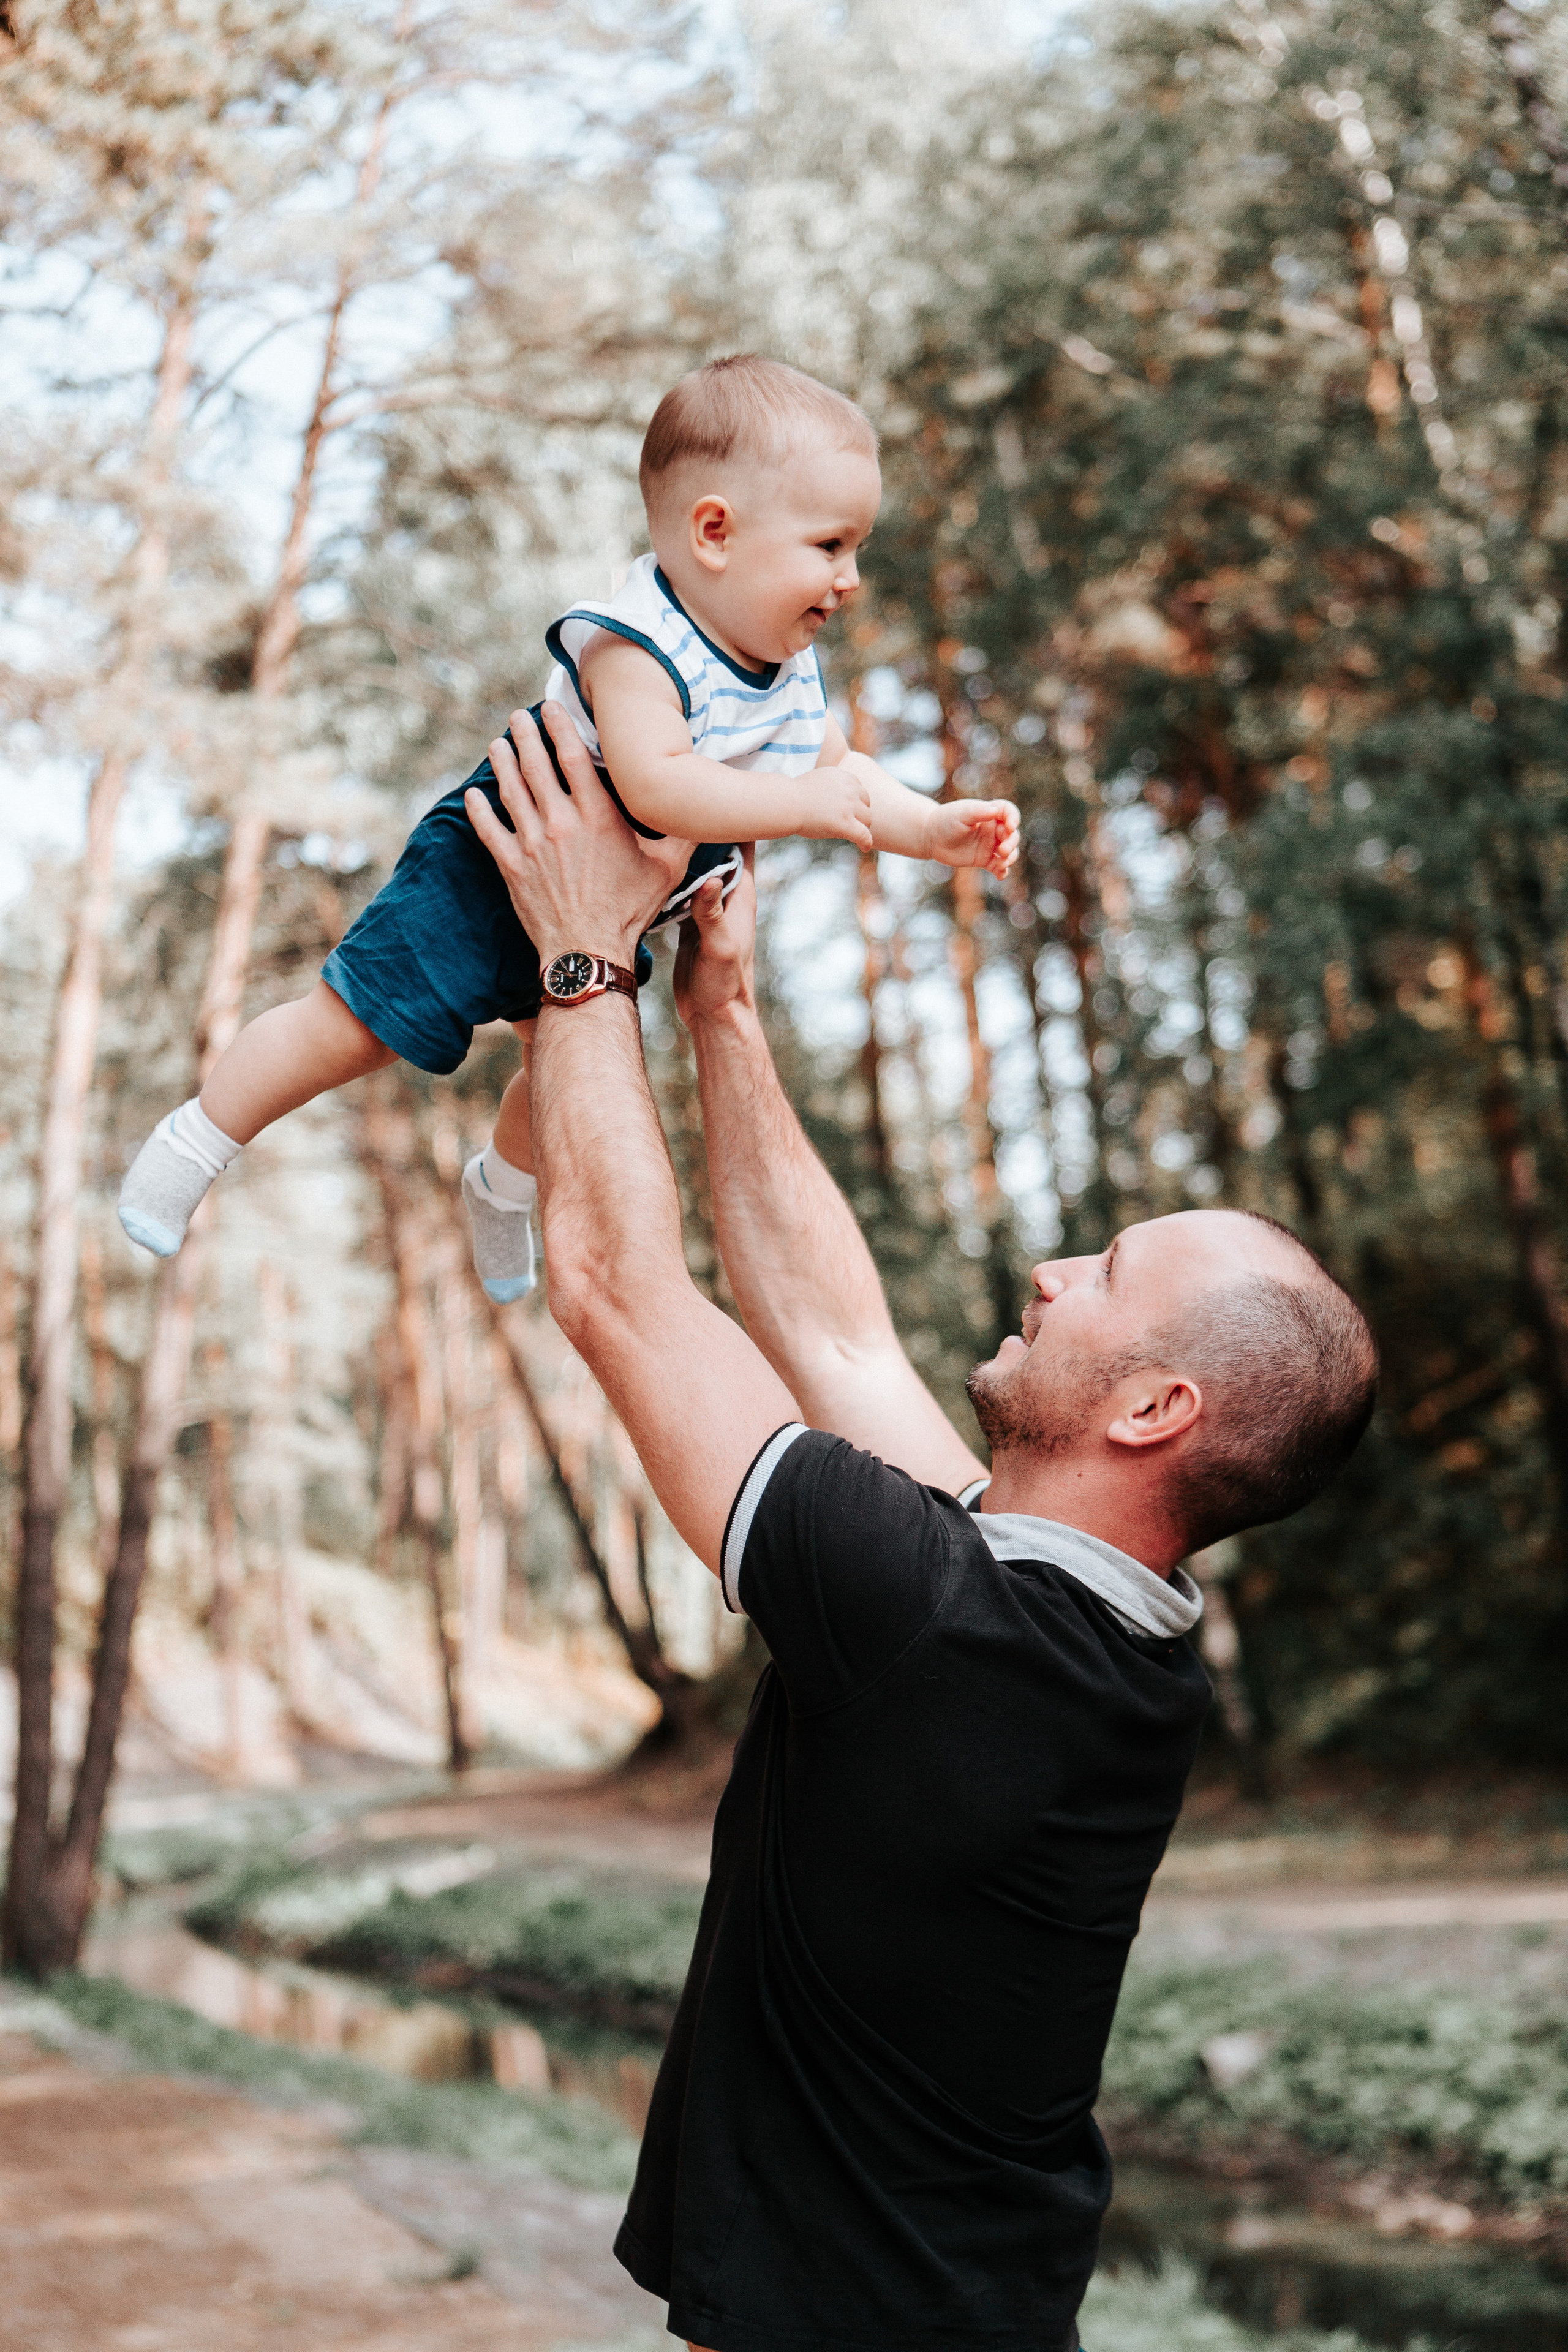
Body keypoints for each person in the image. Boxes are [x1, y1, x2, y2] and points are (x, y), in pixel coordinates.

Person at [462, 702, 1379, 2352]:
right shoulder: (1079, 1627)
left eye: (1105, 1278)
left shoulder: (937, 1622)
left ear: (1154, 1411)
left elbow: (607, 1286)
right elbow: (836, 1343)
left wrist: (581, 967)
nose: (1052, 1269)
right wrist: (720, 1015)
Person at [115, 353, 1019, 1305]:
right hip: (493, 870)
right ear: (715, 531)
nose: (853, 578)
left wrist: (929, 829)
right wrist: (803, 809)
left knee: (569, 1082)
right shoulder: (637, 641)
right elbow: (660, 785)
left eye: (858, 549)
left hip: (612, 909)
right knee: (354, 1029)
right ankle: (200, 1136)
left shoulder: (785, 669)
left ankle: (500, 1187)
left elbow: (840, 770)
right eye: (831, 545)